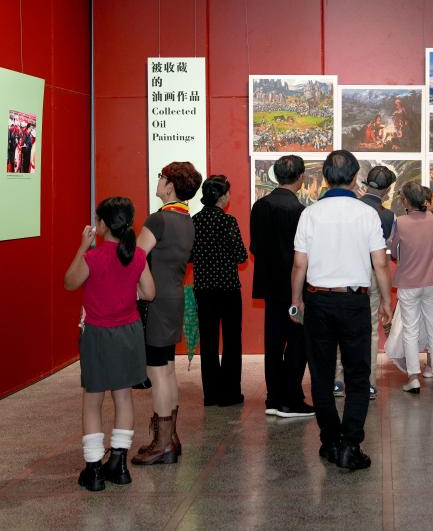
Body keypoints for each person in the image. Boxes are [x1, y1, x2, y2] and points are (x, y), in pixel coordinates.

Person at [291, 150, 392, 470]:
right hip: (354, 301)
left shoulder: (310, 214)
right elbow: (380, 263)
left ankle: (330, 441)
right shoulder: (367, 214)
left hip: (318, 301)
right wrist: (387, 301)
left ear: (325, 177)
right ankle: (350, 445)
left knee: (321, 376)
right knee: (357, 375)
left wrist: (296, 300)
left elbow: (299, 264)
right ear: (354, 177)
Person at [63, 197, 155, 492]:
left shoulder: (93, 257)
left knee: (93, 400)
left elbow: (69, 282)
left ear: (102, 225)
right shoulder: (137, 255)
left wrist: (82, 246)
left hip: (98, 335)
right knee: (123, 397)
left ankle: (93, 470)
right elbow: (150, 293)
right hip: (129, 333)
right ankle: (119, 464)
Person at [132, 161, 201, 466]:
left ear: (170, 185)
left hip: (156, 301)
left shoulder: (158, 219)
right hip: (174, 297)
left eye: (161, 176)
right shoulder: (186, 220)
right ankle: (170, 437)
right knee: (168, 370)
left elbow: (136, 259)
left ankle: (162, 444)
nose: (158, 180)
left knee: (157, 372)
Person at [251, 155, 315, 419]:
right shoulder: (301, 211)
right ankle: (291, 399)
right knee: (298, 341)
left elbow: (255, 247)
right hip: (294, 287)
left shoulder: (260, 206)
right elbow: (304, 255)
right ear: (300, 178)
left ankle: (273, 398)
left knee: (273, 343)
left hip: (269, 285)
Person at [334, 165, 397, 400]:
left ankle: (338, 380)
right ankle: (368, 383)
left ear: (365, 183)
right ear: (387, 190)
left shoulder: (351, 208)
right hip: (371, 273)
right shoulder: (388, 216)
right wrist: (387, 298)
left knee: (340, 327)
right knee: (370, 330)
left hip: (345, 272)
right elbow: (384, 254)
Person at [191, 175, 249, 407]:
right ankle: (230, 393)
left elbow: (189, 256)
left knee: (208, 341)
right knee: (232, 341)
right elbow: (241, 256)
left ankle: (211, 394)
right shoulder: (228, 221)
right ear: (222, 196)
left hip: (204, 289)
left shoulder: (194, 221)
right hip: (228, 289)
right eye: (228, 193)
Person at [389, 181, 433, 393]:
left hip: (408, 283)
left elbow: (393, 252)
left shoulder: (400, 222)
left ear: (405, 201)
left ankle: (413, 378)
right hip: (432, 281)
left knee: (410, 330)